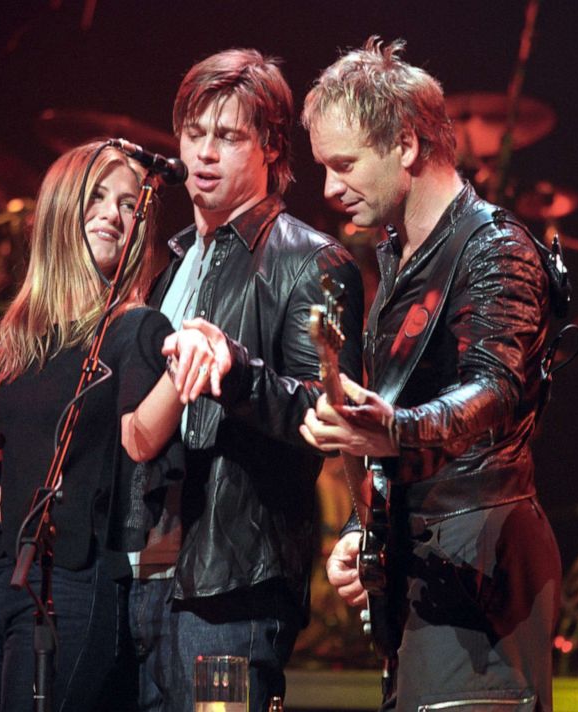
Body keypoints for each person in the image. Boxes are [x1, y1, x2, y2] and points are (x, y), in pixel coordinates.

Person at [299, 38, 562, 712]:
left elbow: (496, 387)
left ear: (407, 146)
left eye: (344, 164)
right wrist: (365, 528)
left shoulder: (494, 246)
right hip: (428, 566)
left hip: (482, 568)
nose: (330, 187)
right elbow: (400, 417)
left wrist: (394, 431)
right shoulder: (398, 259)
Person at [0, 141, 217, 712]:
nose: (113, 213)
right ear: (58, 211)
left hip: (68, 586)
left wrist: (188, 369)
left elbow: (142, 438)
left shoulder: (136, 331)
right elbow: (0, 445)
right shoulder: (18, 337)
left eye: (130, 205)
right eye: (97, 198)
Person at [128, 49, 365, 712]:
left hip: (233, 585)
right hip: (147, 578)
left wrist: (235, 374)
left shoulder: (310, 261)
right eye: (194, 134)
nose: (204, 153)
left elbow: (329, 414)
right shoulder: (170, 265)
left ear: (270, 147)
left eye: (228, 137)